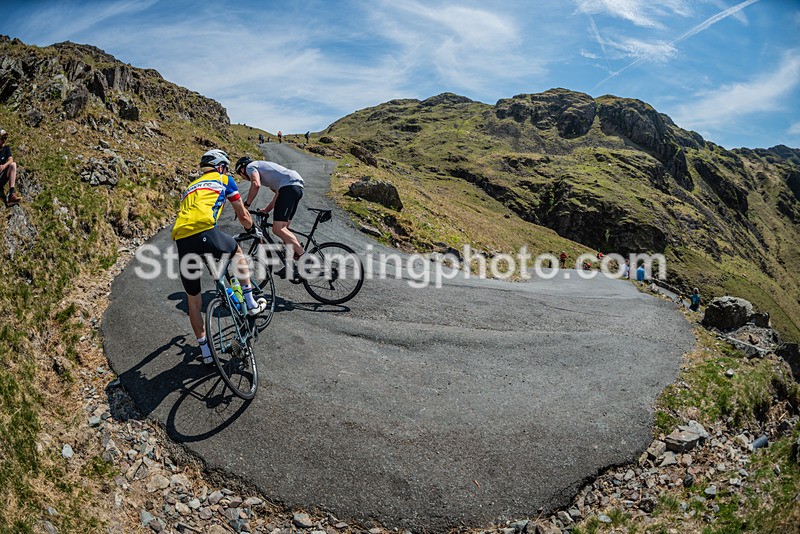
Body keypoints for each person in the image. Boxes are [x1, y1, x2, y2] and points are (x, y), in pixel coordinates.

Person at [172, 149, 268, 364]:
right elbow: (243, 214)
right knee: (236, 251)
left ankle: (206, 353)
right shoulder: (224, 179)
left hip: (182, 240)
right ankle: (251, 303)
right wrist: (253, 230)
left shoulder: (190, 187)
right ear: (221, 166)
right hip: (205, 232)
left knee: (193, 302)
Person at [235, 156, 305, 274]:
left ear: (241, 169)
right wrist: (267, 210)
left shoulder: (250, 167)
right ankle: (291, 266)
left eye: (241, 175)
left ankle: (305, 259)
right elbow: (278, 194)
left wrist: (246, 205)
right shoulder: (267, 172)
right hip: (295, 187)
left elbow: (255, 184)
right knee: (284, 229)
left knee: (278, 229)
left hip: (289, 187)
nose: (243, 177)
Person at [0, 130, 21, 206]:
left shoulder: (6, 148)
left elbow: (10, 159)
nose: (4, 141)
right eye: (2, 138)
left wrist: (4, 166)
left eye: (5, 138)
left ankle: (11, 195)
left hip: (1, 177)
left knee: (13, 165)